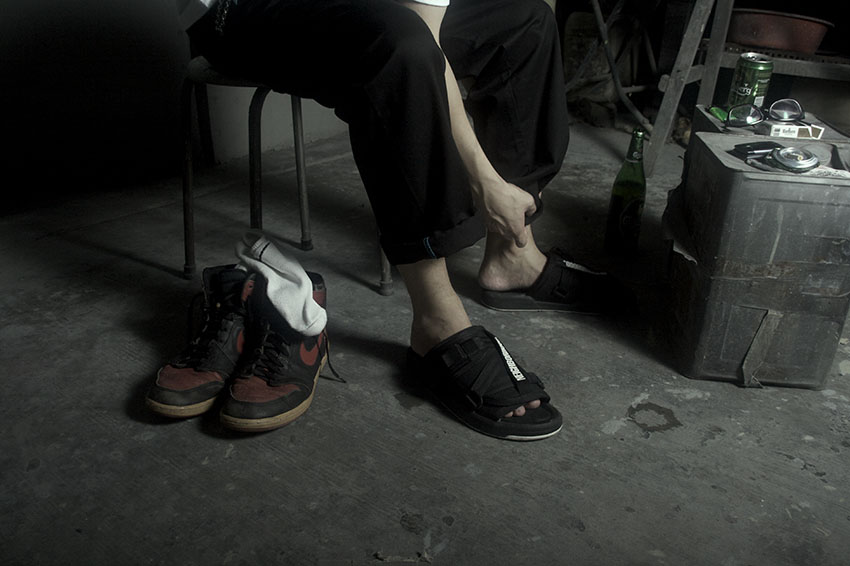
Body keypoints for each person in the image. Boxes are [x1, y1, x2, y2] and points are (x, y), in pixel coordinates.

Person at [147, 0, 628, 441]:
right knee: (399, 46)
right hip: (235, 13)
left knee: (524, 21)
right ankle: (436, 322)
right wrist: (484, 180)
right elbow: (422, 39)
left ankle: (513, 254)